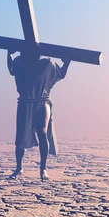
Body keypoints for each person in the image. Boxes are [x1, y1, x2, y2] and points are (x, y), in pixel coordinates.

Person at [7, 47, 70, 180]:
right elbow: (12, 70)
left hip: (42, 102)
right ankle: (19, 168)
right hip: (25, 103)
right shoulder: (19, 63)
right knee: (20, 137)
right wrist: (8, 54)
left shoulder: (46, 65)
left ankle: (43, 169)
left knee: (42, 132)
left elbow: (61, 74)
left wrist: (67, 62)